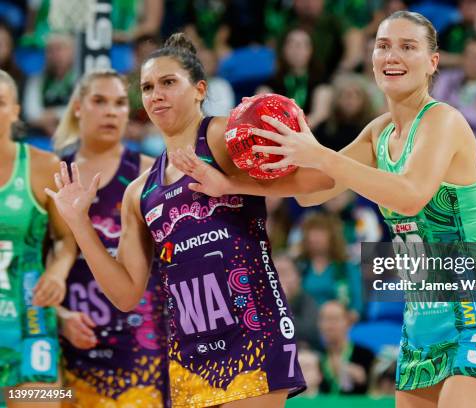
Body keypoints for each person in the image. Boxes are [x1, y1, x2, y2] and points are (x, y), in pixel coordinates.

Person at [171, 11, 476, 408]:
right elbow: (311, 191)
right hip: (422, 320)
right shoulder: (378, 132)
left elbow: (409, 194)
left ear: (433, 63)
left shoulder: (444, 121)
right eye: (383, 46)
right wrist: (231, 183)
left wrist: (320, 153)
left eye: (408, 47)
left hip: (475, 311)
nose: (392, 55)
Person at [45, 33, 337, 407]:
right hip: (189, 355)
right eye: (147, 87)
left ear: (200, 89)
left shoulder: (223, 136)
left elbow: (320, 179)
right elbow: (125, 293)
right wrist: (79, 224)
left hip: (251, 334)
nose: (156, 95)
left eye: (168, 82)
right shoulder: (138, 191)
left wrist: (228, 183)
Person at [51, 69, 167, 407]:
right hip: (71, 349)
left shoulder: (150, 172)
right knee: (26, 395)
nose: (111, 111)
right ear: (77, 107)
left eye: (119, 104)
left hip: (142, 350)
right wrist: (59, 317)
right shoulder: (50, 174)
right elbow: (34, 264)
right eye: (99, 101)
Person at [0, 69, 76, 407]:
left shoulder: (44, 165)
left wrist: (57, 273)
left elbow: (65, 240)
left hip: (29, 324)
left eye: (0, 103)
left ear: (16, 110)